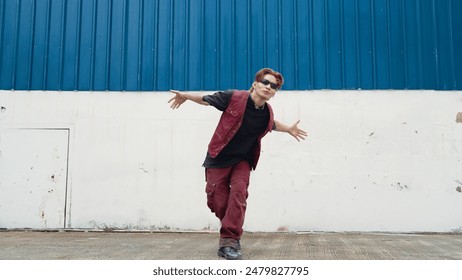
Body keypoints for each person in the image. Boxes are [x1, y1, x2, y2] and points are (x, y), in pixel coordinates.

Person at [168, 68, 307, 260]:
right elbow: (207, 99)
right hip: (219, 157)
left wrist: (289, 129)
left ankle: (229, 241)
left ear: (275, 93)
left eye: (273, 86)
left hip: (243, 160)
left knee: (239, 193)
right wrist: (186, 96)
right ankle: (231, 229)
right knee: (217, 201)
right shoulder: (234, 98)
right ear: (255, 84)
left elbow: (272, 124)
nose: (268, 87)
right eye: (265, 82)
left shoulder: (266, 113)